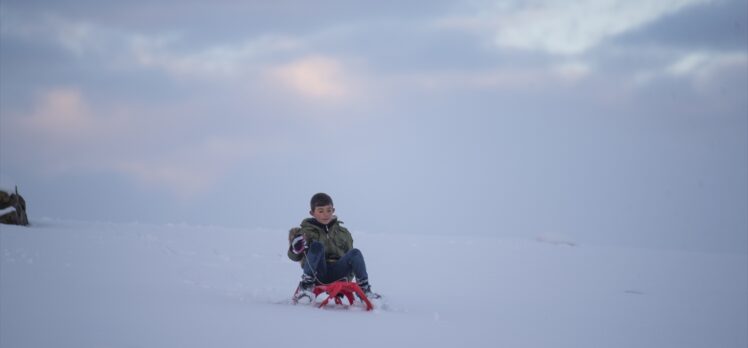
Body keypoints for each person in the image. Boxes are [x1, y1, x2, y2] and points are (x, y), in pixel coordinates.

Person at [288, 192, 380, 303]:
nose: (325, 214)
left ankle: (364, 290)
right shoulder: (305, 233)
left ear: (333, 210)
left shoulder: (343, 233)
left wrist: (347, 281)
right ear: (312, 213)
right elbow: (295, 257)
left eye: (329, 210)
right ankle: (306, 287)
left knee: (355, 253)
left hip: (339, 272)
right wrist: (295, 249)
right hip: (318, 273)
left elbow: (351, 260)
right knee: (317, 246)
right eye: (320, 211)